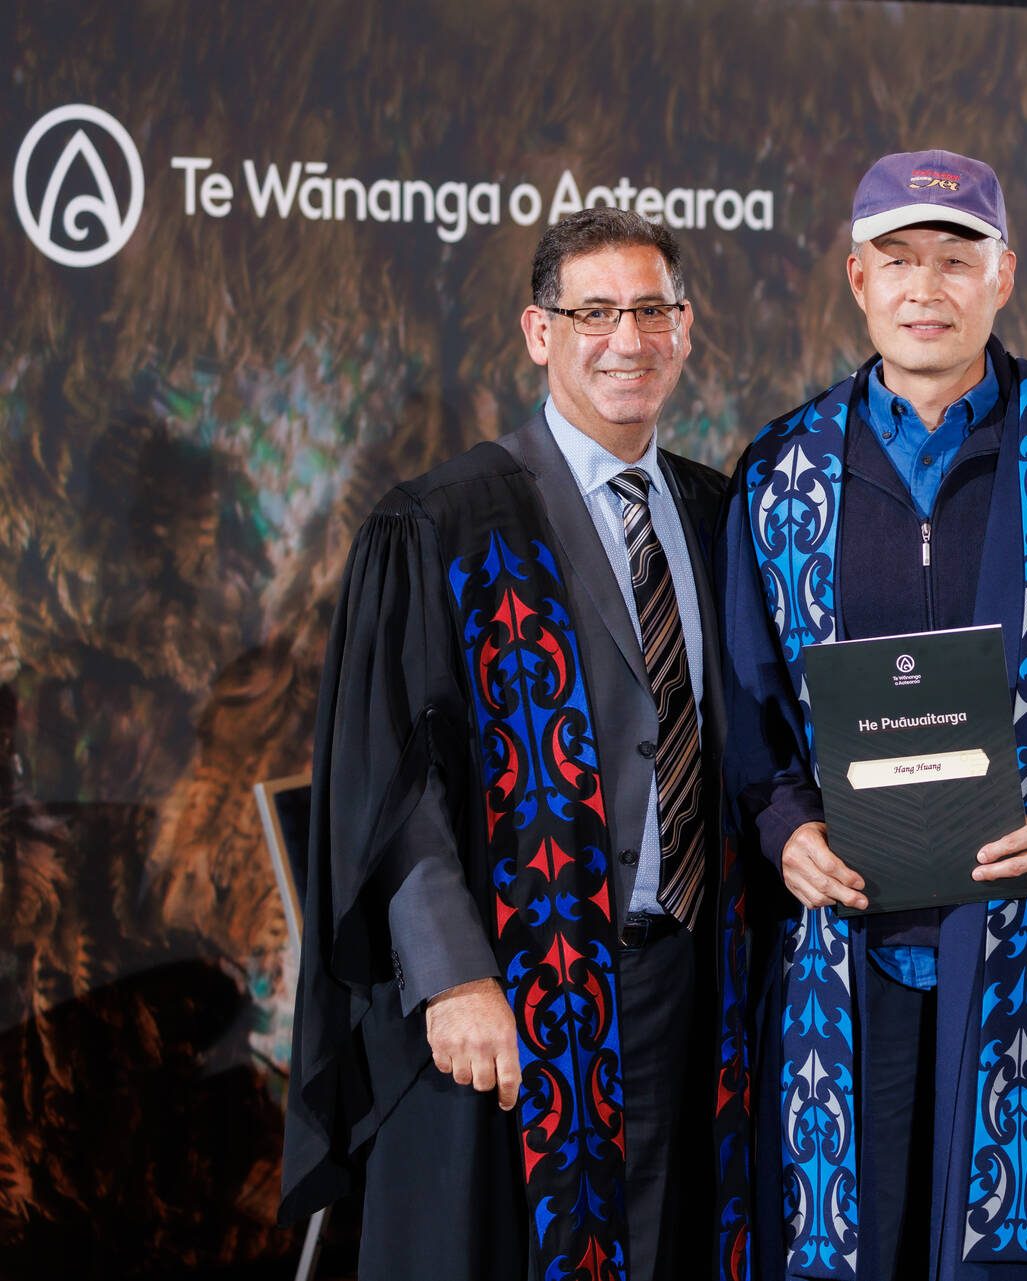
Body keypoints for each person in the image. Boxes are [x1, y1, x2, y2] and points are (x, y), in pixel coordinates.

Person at [720, 149, 1027, 1281]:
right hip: (850, 946)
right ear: (855, 277)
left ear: (1005, 275)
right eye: (900, 261)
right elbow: (749, 709)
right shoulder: (786, 469)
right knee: (856, 1241)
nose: (926, 288)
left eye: (956, 258)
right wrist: (785, 825)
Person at [281, 208, 750, 1280]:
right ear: (540, 333)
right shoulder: (444, 523)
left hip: (693, 986)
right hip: (522, 990)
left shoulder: (720, 514)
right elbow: (394, 790)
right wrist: (453, 981)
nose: (625, 339)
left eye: (650, 311)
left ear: (684, 329)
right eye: (594, 312)